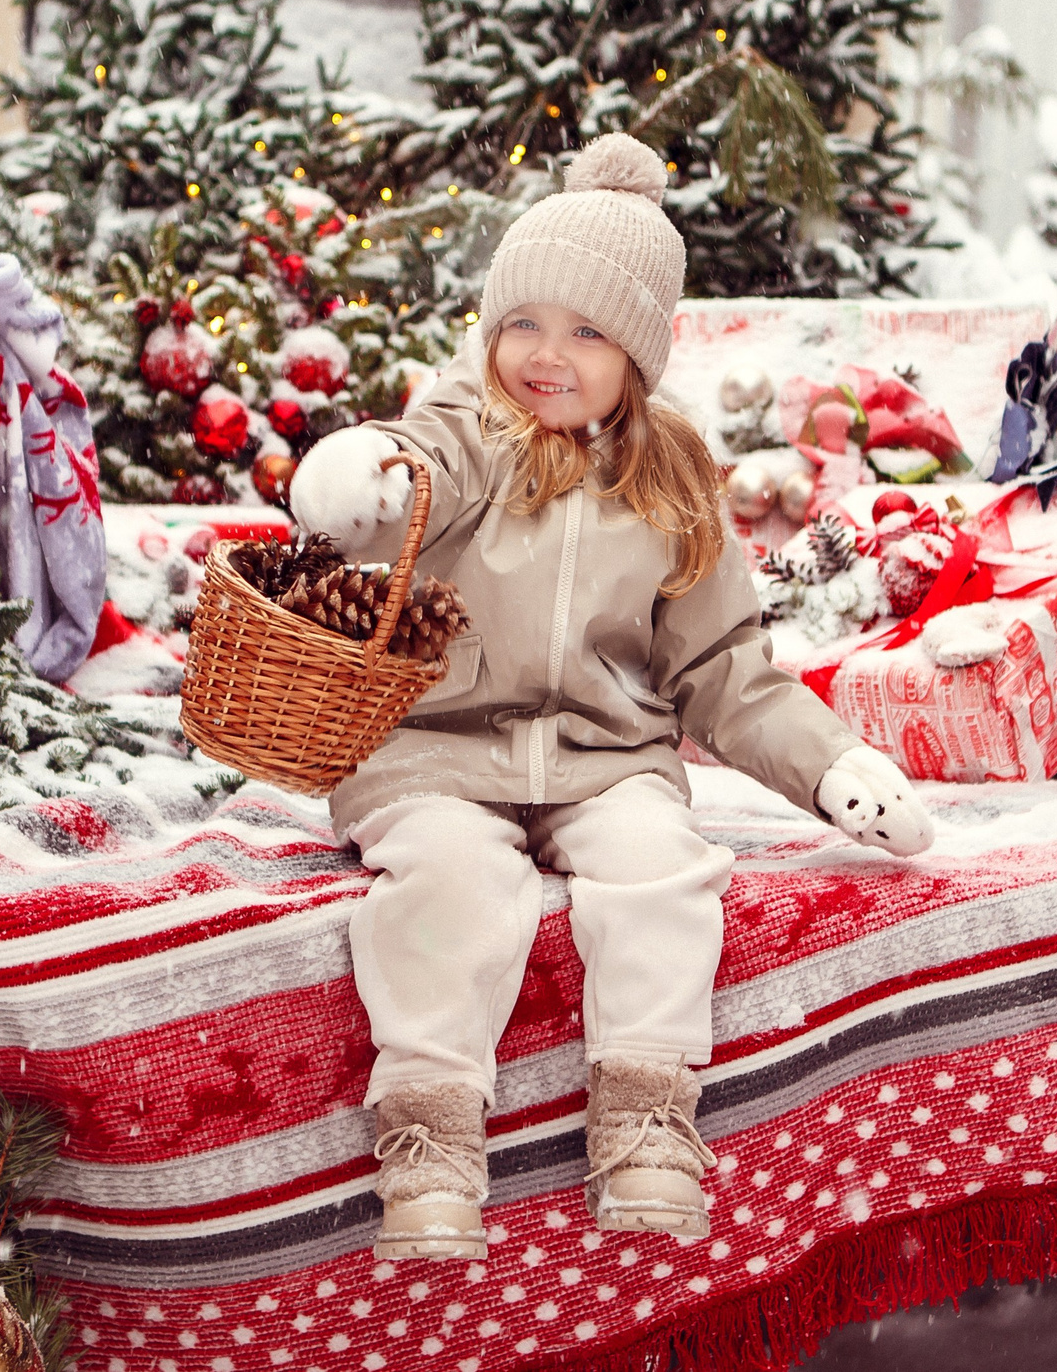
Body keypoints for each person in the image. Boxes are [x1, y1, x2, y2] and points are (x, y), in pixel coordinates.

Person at [289, 132, 932, 1263]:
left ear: (637, 354)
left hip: (603, 759)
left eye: (587, 330)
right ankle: (430, 1138)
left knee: (661, 868)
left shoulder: (672, 482)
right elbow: (410, 467)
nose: (546, 354)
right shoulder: (467, 430)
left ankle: (642, 1112)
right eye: (523, 321)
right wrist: (362, 476)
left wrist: (833, 763)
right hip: (435, 751)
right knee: (450, 880)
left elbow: (725, 669)